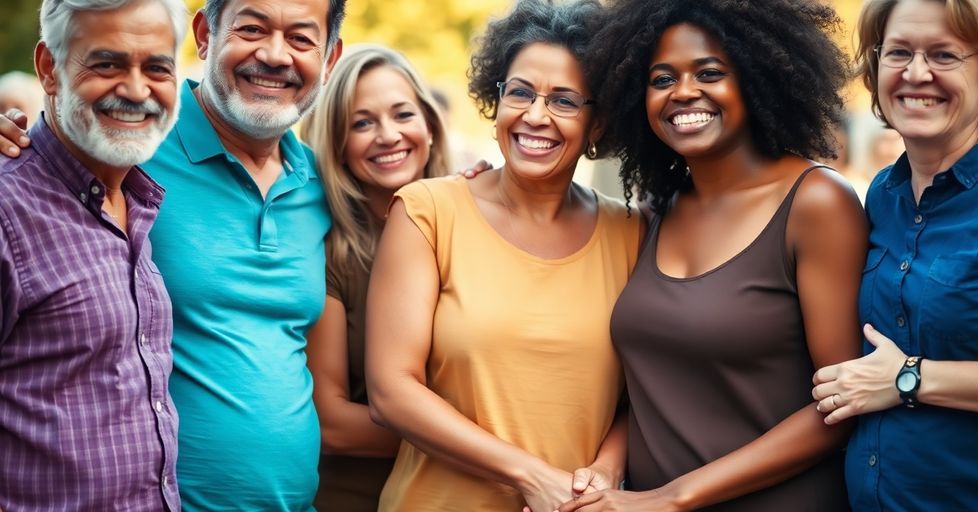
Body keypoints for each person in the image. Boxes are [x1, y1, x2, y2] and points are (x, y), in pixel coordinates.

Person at [0, 0, 345, 509]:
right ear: (205, 34)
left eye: (301, 38)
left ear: (331, 56)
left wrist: (491, 177)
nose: (275, 55)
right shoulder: (131, 146)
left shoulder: (324, 184)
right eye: (251, 28)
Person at [560, 0, 868, 510]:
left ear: (756, 76)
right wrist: (605, 469)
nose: (683, 92)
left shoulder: (816, 203)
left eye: (709, 72)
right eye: (662, 79)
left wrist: (670, 498)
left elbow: (841, 406)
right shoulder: (656, 213)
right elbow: (651, 387)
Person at [364, 1, 643, 510]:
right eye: (519, 92)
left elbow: (640, 397)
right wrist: (532, 476)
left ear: (598, 122)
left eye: (563, 100)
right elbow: (390, 392)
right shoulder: (427, 211)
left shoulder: (631, 232)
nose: (535, 115)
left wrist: (606, 469)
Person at [810, 0, 978, 509]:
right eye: (899, 52)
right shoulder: (883, 193)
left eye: (944, 55)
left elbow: (890, 376)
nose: (917, 73)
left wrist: (909, 378)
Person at [0, 0, 186, 509]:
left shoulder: (140, 199)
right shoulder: (7, 209)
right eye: (106, 63)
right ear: (48, 69)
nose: (135, 89)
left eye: (157, 67)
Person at [300, 43, 450, 511]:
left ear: (429, 124)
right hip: (360, 495)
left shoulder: (474, 224)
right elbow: (332, 420)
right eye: (362, 123)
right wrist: (489, 446)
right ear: (337, 145)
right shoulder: (329, 252)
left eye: (402, 114)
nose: (388, 135)